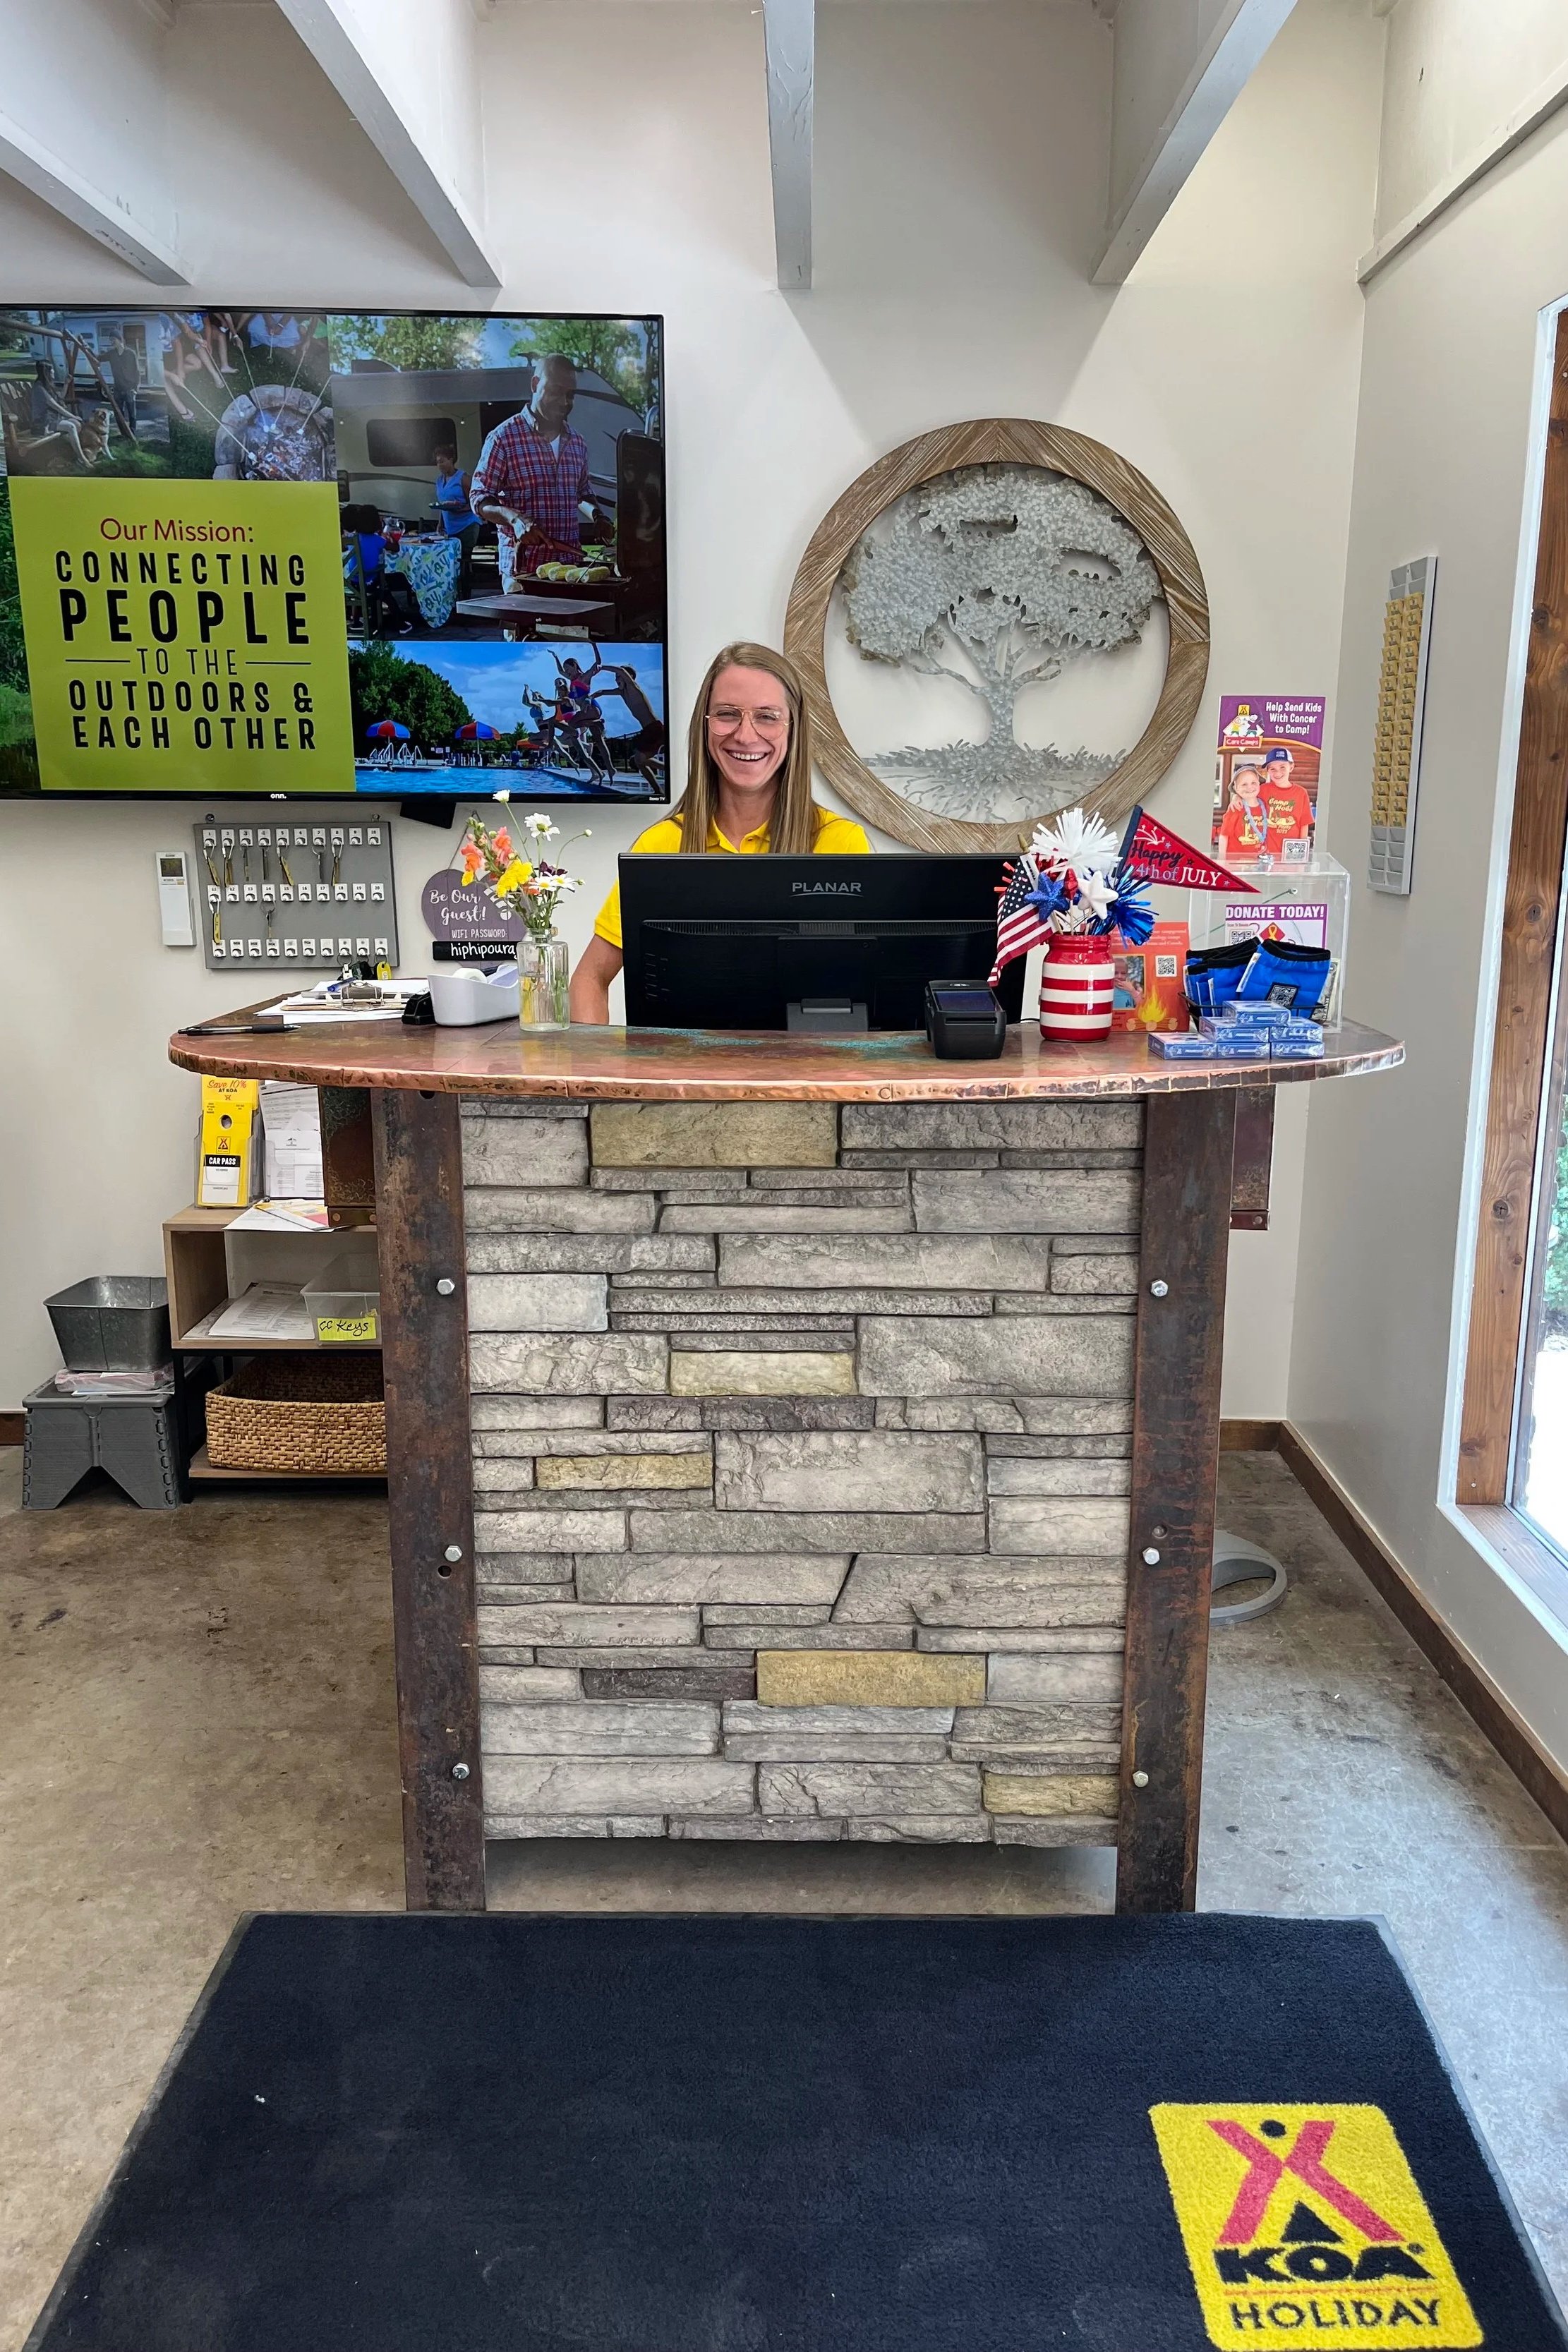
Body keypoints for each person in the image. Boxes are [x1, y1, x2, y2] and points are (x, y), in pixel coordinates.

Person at [569, 642, 871, 1023]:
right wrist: (602, 1079)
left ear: (793, 730)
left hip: (805, 1077)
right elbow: (589, 979)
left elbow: (864, 1000)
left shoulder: (840, 842)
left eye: (768, 716)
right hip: (683, 1078)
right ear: (705, 725)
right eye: (728, 714)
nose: (746, 735)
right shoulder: (662, 846)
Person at [470, 355, 609, 591]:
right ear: (535, 385)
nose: (565, 402)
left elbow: (582, 493)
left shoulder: (577, 442)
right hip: (522, 574)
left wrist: (598, 517)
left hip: (569, 572)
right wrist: (514, 519)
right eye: (556, 391)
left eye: (571, 394)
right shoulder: (503, 438)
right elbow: (479, 498)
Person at [431, 444, 480, 599]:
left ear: (451, 460)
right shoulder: (439, 481)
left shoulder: (463, 478)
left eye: (443, 461)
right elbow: (442, 505)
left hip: (467, 525)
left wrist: (458, 507)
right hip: (450, 526)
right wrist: (441, 523)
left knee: (464, 561)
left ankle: (466, 597)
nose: (440, 465)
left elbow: (475, 503)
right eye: (438, 462)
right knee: (450, 562)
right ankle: (452, 596)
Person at [1258, 746, 1315, 853]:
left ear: (1291, 767)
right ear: (1268, 771)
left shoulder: (1301, 793)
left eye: (1282, 767)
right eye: (1272, 769)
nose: (1277, 773)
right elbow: (1247, 800)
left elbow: (1304, 824)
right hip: (1266, 853)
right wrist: (1236, 798)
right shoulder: (1262, 790)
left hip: (1290, 853)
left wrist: (1300, 853)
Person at [1217, 763, 1269, 858]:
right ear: (1236, 788)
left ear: (1259, 783)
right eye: (1244, 784)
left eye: (1253, 783)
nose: (1249, 787)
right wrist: (1222, 860)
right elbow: (1224, 836)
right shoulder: (1235, 808)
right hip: (1236, 863)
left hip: (1258, 863)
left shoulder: (1265, 805)